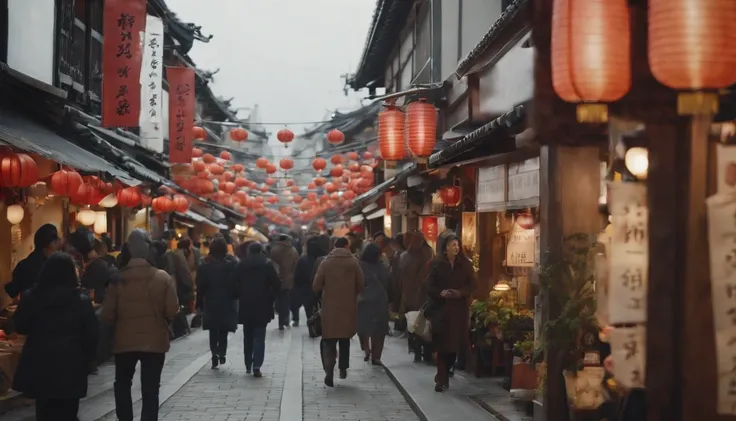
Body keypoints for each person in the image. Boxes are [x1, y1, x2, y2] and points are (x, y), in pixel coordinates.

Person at [101, 229, 179, 421]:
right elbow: (172, 310)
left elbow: (107, 315)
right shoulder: (162, 278)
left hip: (124, 341)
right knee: (151, 388)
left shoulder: (118, 279)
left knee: (122, 384)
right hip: (154, 342)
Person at [12, 252, 98, 420]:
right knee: (68, 412)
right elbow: (92, 333)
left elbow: (21, 326)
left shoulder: (31, 296)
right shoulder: (81, 300)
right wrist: (87, 359)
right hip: (71, 366)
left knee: (44, 413)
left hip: (40, 364)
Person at [425, 234, 476, 392]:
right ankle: (441, 379)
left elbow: (473, 284)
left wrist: (460, 293)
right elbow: (427, 286)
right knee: (442, 346)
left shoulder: (465, 265)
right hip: (441, 311)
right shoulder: (436, 264)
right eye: (452, 245)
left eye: (457, 245)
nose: (456, 248)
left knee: (454, 347)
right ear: (445, 247)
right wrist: (440, 293)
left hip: (458, 310)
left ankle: (445, 372)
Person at [313, 237, 364, 387]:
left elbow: (316, 285)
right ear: (347, 246)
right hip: (348, 306)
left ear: (334, 246)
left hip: (329, 307)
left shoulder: (326, 263)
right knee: (344, 338)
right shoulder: (353, 262)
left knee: (329, 339)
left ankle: (329, 369)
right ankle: (343, 368)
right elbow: (361, 284)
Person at [234, 242, 280, 377]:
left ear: (249, 251)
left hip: (246, 303)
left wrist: (239, 294)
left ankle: (248, 363)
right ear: (261, 251)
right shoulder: (267, 264)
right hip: (262, 304)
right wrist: (270, 298)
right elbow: (276, 284)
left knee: (247, 336)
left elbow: (232, 281)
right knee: (260, 337)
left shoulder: (242, 264)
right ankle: (257, 366)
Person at [196, 237, 238, 369]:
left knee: (213, 329)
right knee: (223, 329)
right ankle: (222, 353)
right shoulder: (232, 263)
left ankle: (214, 353)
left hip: (211, 299)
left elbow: (200, 286)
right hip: (227, 300)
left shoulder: (205, 264)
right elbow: (237, 282)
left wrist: (199, 303)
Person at [400, 231, 435, 362]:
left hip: (422, 296)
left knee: (420, 325)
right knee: (416, 324)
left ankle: (421, 352)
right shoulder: (408, 255)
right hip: (413, 296)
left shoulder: (423, 253)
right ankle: (418, 351)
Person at [4, 224, 61, 298]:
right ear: (50, 243)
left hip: (28, 308)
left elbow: (12, 291)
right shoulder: (55, 266)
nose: (59, 245)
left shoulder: (23, 265)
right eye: (56, 241)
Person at [357, 243, 390, 366]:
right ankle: (376, 357)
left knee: (364, 326)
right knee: (379, 330)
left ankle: (366, 349)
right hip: (380, 300)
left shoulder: (360, 266)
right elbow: (388, 282)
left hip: (364, 299)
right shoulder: (382, 266)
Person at [291, 235, 327, 326]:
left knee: (309, 312)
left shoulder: (303, 260)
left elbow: (297, 277)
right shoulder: (326, 259)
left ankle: (312, 329)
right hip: (324, 289)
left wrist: (297, 288)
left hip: (307, 290)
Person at [269, 234, 299, 330]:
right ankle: (288, 319)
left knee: (279, 301)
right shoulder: (293, 250)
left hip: (276, 279)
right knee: (288, 300)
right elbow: (296, 266)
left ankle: (281, 322)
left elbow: (271, 265)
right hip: (289, 280)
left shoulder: (274, 250)